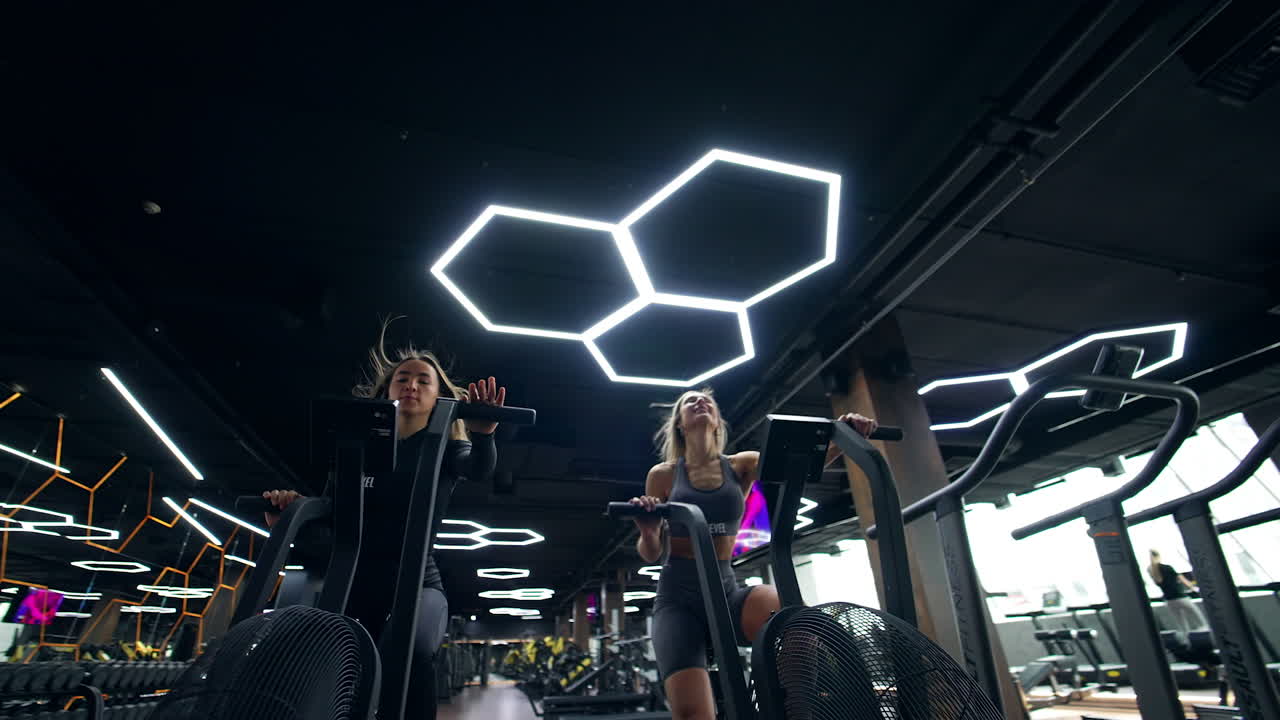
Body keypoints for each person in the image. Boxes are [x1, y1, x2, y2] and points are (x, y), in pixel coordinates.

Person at [261, 318, 507, 720]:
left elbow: (479, 467)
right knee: (337, 664)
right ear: (386, 393)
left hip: (416, 582)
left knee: (410, 646)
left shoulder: (446, 452)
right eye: (402, 378)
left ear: (439, 397)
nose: (411, 385)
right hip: (354, 581)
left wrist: (484, 434)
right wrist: (286, 524)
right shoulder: (352, 455)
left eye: (423, 380)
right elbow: (333, 532)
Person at [628, 388, 877, 720]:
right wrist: (647, 531)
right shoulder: (662, 475)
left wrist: (844, 434)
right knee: (692, 714)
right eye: (690, 401)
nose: (700, 403)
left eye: (708, 402)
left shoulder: (740, 465)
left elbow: (798, 467)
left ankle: (788, 709)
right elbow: (651, 552)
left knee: (796, 622)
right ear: (679, 423)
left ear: (716, 421)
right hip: (678, 599)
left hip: (727, 591)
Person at [1147, 549, 1204, 634]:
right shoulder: (1167, 567)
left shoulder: (1150, 570)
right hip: (1180, 597)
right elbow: (1183, 580)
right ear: (1158, 556)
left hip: (1169, 600)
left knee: (1183, 627)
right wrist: (1193, 588)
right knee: (1200, 621)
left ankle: (1188, 643)